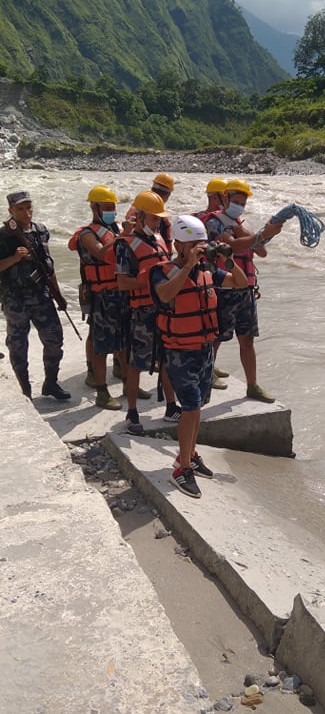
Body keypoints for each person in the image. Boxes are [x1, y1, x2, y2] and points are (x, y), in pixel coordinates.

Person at [151, 214, 248, 499]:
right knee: (191, 407)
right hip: (180, 351)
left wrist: (228, 259)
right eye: (193, 244)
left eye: (201, 245)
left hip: (204, 350)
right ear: (178, 244)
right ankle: (181, 468)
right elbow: (165, 294)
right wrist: (188, 265)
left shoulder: (207, 271)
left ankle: (189, 454)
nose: (199, 249)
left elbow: (239, 283)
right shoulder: (163, 270)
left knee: (199, 406)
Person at [203, 178, 282, 401]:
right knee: (216, 337)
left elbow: (261, 252)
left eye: (243, 202)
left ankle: (252, 385)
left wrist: (267, 234)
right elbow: (233, 246)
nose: (239, 205)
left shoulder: (240, 223)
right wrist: (261, 235)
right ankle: (207, 374)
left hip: (245, 290)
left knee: (247, 339)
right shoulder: (214, 223)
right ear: (225, 198)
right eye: (236, 200)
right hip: (224, 288)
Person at [115, 190, 181, 434]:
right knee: (138, 362)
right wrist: (146, 280)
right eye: (154, 218)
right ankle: (132, 413)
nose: (158, 222)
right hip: (141, 312)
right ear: (140, 216)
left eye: (159, 218)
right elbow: (122, 283)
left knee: (165, 358)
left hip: (162, 309)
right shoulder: (126, 246)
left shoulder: (161, 240)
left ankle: (171, 406)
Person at [0, 190, 71, 400]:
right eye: (20, 209)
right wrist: (13, 259)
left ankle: (50, 383)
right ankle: (25, 390)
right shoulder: (3, 236)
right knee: (18, 346)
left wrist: (58, 295)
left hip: (41, 296)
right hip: (15, 300)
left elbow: (48, 266)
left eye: (28, 207)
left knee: (54, 340)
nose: (26, 212)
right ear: (11, 211)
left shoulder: (40, 231)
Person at [70, 185, 130, 410]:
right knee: (100, 343)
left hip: (121, 292)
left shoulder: (116, 228)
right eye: (107, 207)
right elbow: (102, 253)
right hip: (101, 294)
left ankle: (127, 382)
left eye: (113, 207)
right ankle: (102, 391)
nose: (112, 211)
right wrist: (123, 236)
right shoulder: (87, 234)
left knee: (124, 341)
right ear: (94, 208)